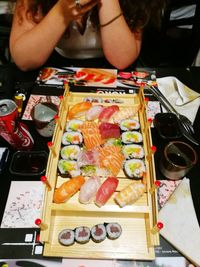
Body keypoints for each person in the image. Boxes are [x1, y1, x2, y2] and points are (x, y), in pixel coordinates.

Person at [9, 0, 166, 71]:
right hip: (57, 68)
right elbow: (24, 61)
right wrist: (61, 12)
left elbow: (122, 59)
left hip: (114, 72)